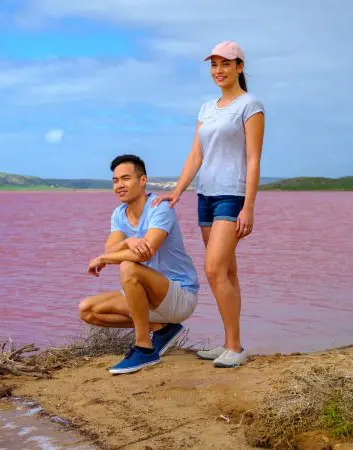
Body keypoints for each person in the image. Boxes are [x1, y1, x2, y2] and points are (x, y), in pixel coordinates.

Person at [152, 40, 266, 368]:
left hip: (233, 195)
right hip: (206, 195)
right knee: (227, 271)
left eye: (226, 64)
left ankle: (235, 348)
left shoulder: (250, 105)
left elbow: (254, 159)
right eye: (214, 65)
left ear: (240, 67)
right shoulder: (206, 108)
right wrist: (177, 191)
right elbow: (196, 154)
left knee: (214, 269)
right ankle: (231, 343)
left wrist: (249, 206)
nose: (219, 70)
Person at [79, 154, 200, 375]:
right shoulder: (119, 214)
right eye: (115, 180)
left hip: (179, 295)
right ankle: (161, 330)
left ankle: (144, 348)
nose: (119, 185)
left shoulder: (159, 208)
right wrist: (127, 241)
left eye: (126, 178)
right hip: (149, 299)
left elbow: (143, 254)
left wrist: (105, 259)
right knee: (87, 310)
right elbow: (110, 249)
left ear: (142, 180)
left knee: (128, 267)